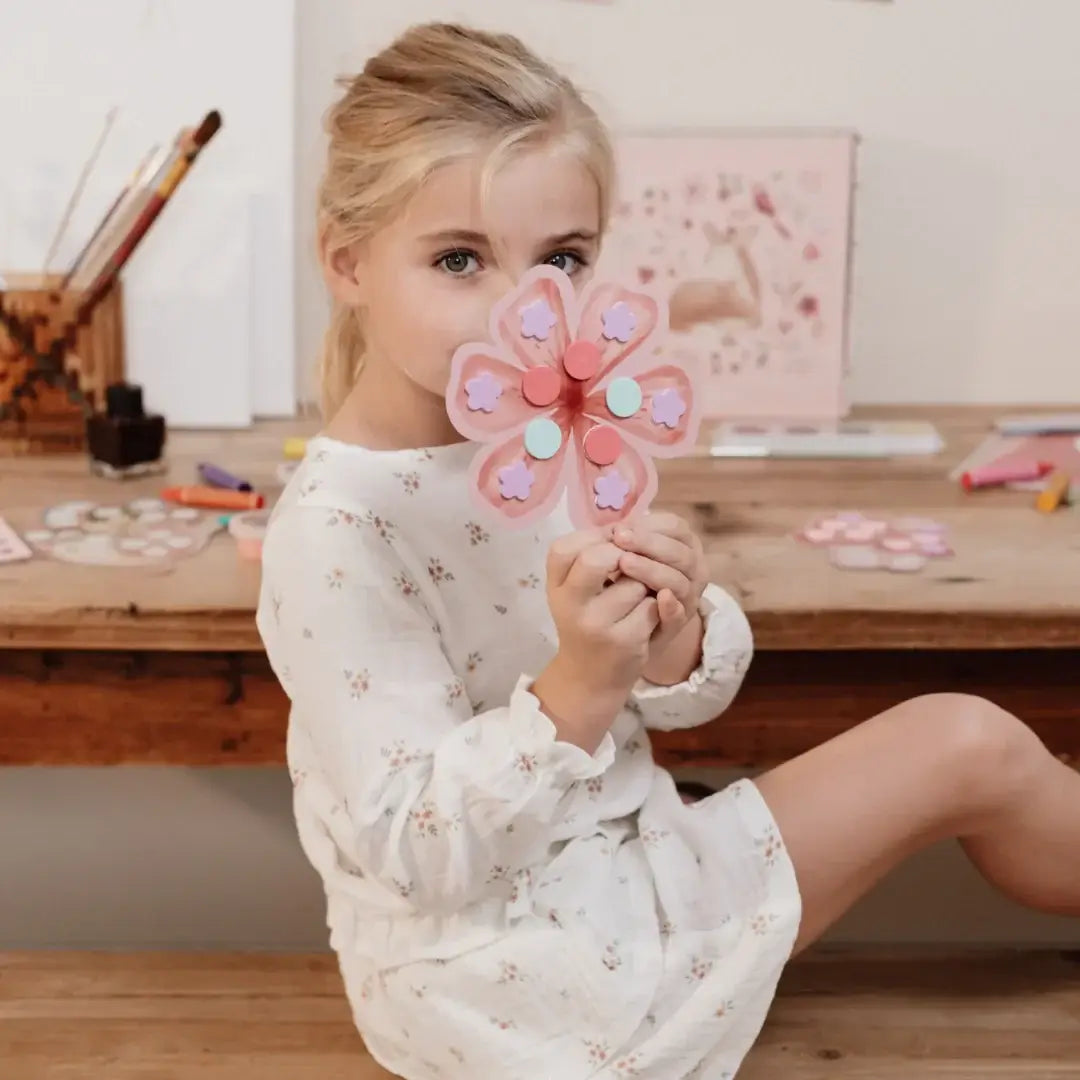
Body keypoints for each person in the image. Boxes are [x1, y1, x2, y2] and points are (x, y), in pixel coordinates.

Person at [257, 22, 1080, 1079]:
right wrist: (576, 688)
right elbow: (418, 852)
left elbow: (680, 698)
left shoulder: (545, 440)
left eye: (561, 260)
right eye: (459, 259)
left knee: (976, 747)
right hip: (514, 979)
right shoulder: (337, 530)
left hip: (617, 880)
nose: (523, 309)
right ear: (347, 260)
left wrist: (673, 634)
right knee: (968, 743)